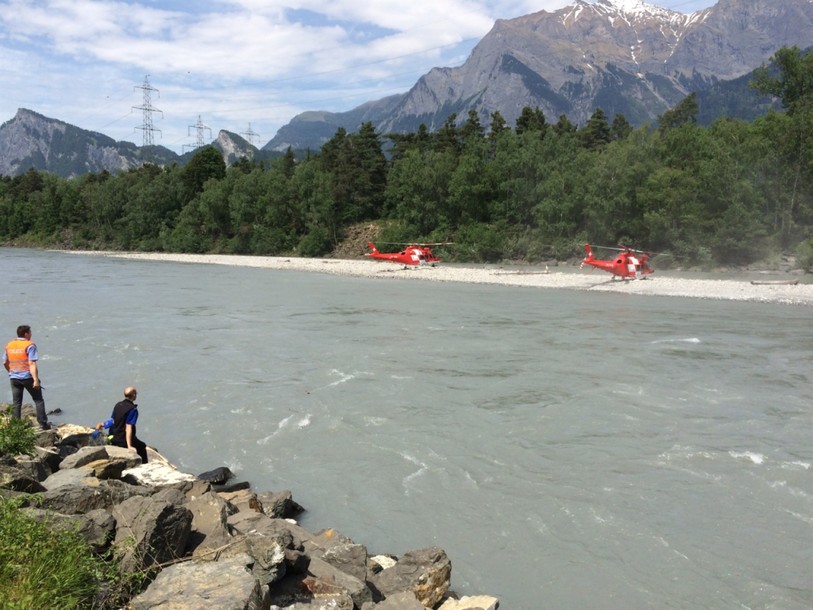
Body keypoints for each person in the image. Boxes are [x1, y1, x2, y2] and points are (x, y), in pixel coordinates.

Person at [3, 325, 50, 429]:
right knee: (38, 399)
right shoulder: (30, 345)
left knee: (16, 402)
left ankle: (16, 426)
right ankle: (43, 424)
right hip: (27, 376)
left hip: (14, 377)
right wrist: (36, 380)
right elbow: (32, 363)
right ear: (26, 334)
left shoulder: (9, 345)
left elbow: (5, 362)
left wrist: (11, 372)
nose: (31, 334)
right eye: (30, 332)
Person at [97, 386, 148, 463]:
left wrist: (102, 424)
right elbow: (128, 428)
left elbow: (113, 420)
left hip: (115, 437)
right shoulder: (132, 409)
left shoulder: (118, 405)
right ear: (134, 395)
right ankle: (144, 466)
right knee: (142, 447)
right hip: (123, 440)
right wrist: (129, 445)